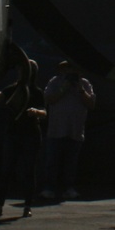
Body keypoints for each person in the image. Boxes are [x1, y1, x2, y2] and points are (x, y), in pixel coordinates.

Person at [0, 56, 43, 222]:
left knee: (28, 171)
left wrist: (36, 112)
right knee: (6, 171)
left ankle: (27, 206)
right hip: (13, 133)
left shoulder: (36, 92)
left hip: (30, 133)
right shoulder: (12, 89)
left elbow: (44, 111)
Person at [40, 60, 95, 201]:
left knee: (71, 163)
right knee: (52, 161)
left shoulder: (85, 84)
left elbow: (91, 103)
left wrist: (80, 89)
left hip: (75, 130)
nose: (70, 73)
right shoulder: (55, 81)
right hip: (56, 129)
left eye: (74, 70)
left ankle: (68, 188)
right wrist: (63, 88)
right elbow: (49, 99)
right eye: (67, 69)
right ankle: (49, 188)